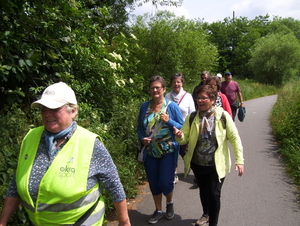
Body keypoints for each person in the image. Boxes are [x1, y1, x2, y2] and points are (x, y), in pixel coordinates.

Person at [0, 82, 131, 226]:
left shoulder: (90, 143)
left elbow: (114, 185)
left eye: (54, 108)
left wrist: (124, 222)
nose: (47, 113)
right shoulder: (31, 137)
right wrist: (3, 221)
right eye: (43, 108)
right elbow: (16, 183)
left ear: (73, 111)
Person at [173, 85, 244, 226]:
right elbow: (184, 139)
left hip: (216, 165)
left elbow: (235, 138)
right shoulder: (192, 117)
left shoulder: (222, 116)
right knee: (204, 191)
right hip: (198, 163)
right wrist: (179, 135)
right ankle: (205, 214)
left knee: (214, 194)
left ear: (212, 99)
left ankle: (213, 223)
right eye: (198, 98)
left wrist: (239, 160)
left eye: (203, 98)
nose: (200, 100)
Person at [137, 76, 183, 224]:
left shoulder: (171, 106)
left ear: (164, 89)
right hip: (150, 152)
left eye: (158, 87)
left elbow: (182, 125)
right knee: (154, 183)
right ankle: (158, 210)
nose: (155, 90)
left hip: (168, 151)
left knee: (166, 182)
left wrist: (168, 121)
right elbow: (139, 128)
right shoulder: (145, 107)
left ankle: (169, 204)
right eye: (152, 88)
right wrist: (142, 138)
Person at [165, 72, 195, 183]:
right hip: (170, 128)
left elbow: (192, 113)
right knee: (172, 152)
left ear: (182, 83)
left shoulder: (188, 96)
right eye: (174, 82)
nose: (176, 84)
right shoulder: (167, 96)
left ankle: (196, 171)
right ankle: (174, 174)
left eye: (178, 81)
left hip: (184, 129)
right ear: (171, 83)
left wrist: (191, 129)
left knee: (185, 152)